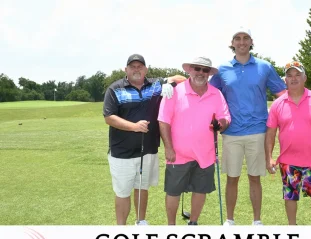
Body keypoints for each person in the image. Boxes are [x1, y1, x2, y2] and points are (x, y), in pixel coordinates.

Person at [209, 26, 286, 225]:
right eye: (238, 38)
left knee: (254, 178)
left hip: (258, 131)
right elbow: (206, 91)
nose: (242, 42)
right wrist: (173, 82)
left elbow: (282, 94)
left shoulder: (264, 66)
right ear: (232, 43)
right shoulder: (222, 69)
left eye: (246, 38)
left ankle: (257, 221)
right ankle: (230, 220)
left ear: (251, 42)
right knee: (232, 178)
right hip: (231, 133)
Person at [103, 53, 186, 226]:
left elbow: (182, 78)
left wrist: (169, 83)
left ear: (146, 69)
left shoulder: (155, 84)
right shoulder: (115, 89)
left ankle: (140, 221)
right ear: (125, 70)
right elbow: (109, 117)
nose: (136, 69)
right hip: (122, 153)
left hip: (148, 150)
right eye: (132, 67)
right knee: (123, 192)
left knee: (142, 187)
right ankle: (121, 228)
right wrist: (134, 126)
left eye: (140, 66)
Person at [158, 56, 231, 225]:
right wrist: (168, 148)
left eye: (205, 70)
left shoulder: (216, 93)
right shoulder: (175, 91)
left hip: (205, 154)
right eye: (197, 69)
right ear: (189, 70)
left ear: (209, 73)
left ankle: (193, 223)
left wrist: (220, 124)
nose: (201, 73)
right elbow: (163, 120)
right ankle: (171, 225)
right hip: (178, 154)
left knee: (200, 190)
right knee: (173, 191)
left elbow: (226, 117)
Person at [265, 60, 311, 225]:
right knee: (290, 196)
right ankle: (292, 228)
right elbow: (270, 133)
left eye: (297, 74)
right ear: (285, 80)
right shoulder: (277, 104)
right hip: (288, 161)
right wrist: (269, 157)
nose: (293, 78)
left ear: (305, 78)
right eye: (289, 75)